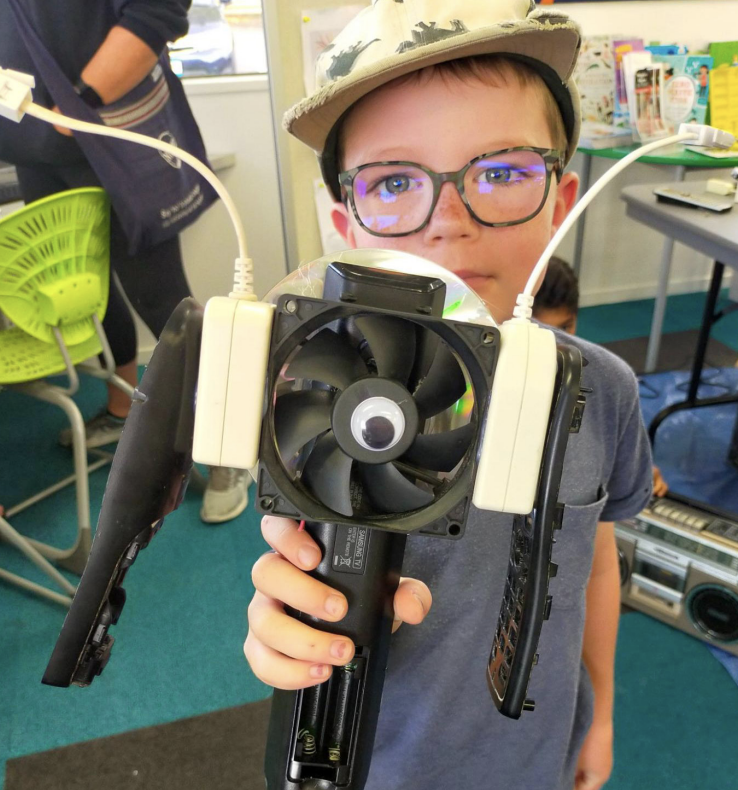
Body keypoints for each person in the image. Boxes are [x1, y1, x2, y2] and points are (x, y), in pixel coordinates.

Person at [245, 2, 653, 789]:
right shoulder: (317, 395)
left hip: (537, 758)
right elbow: (292, 574)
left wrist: (599, 712)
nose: (448, 222)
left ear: (560, 201)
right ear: (346, 228)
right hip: (378, 768)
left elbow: (596, 560)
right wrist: (280, 627)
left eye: (501, 172)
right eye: (395, 181)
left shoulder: (604, 390)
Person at [0, 0, 250, 523]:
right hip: (35, 141)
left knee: (162, 299)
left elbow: (157, 11)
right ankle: (120, 410)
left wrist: (82, 101)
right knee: (86, 286)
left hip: (108, 125)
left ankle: (226, 445)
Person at [533, 257, 669, 497]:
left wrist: (636, 474)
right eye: (543, 331)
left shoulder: (600, 381)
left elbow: (615, 458)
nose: (556, 345)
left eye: (564, 329)